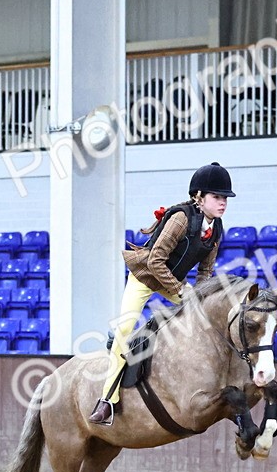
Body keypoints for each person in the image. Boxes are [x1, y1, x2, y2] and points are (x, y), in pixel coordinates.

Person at [89, 162, 234, 426]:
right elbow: (156, 261)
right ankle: (107, 401)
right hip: (145, 278)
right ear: (199, 197)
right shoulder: (181, 218)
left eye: (225, 198)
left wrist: (200, 297)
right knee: (124, 331)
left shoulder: (217, 227)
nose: (223, 203)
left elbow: (206, 271)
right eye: (217, 197)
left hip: (173, 283)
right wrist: (181, 290)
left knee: (204, 318)